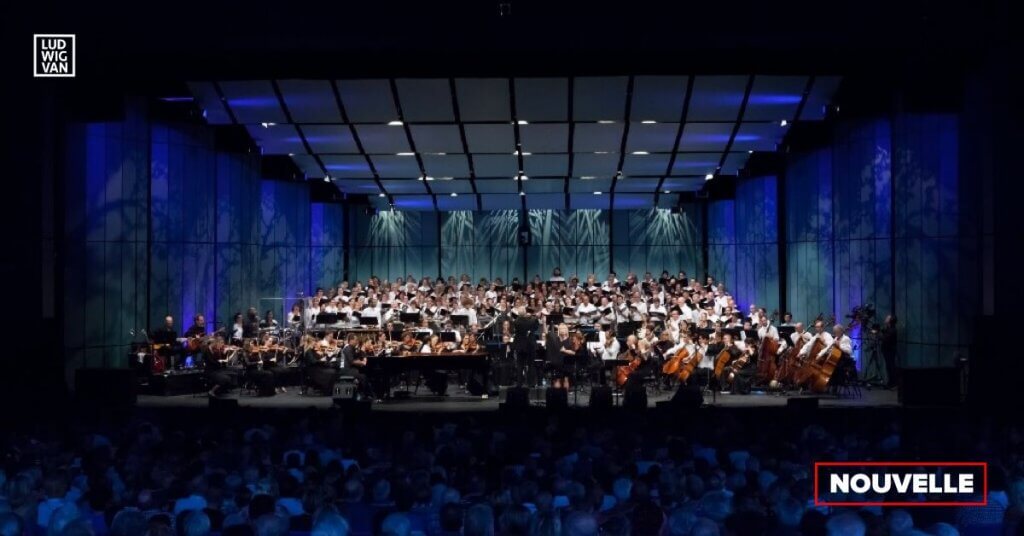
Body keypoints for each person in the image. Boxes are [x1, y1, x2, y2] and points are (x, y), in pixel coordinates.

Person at [512, 306, 540, 386]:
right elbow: (535, 327)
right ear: (525, 313)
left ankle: (519, 383)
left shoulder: (516, 321)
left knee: (520, 365)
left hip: (520, 346)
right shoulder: (531, 321)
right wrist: (533, 316)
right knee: (531, 365)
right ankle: (531, 383)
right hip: (529, 346)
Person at [880, 314, 898, 388]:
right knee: (889, 366)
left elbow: (885, 338)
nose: (886, 318)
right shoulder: (888, 329)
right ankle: (891, 382)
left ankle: (892, 383)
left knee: (891, 366)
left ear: (890, 321)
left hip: (889, 350)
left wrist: (878, 334)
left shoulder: (892, 330)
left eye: (887, 318)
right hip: (887, 350)